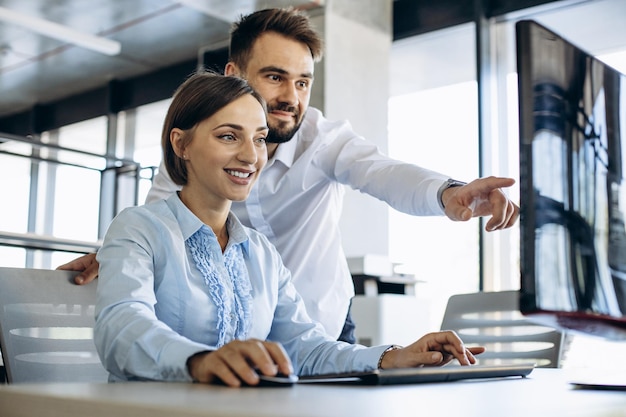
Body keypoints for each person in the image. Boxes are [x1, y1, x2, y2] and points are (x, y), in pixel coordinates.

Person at [60, 7, 519, 344]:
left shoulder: (324, 138)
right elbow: (160, 217)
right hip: (235, 333)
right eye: (275, 77)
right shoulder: (193, 150)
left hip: (321, 329)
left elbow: (382, 172)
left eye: (302, 82)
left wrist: (450, 193)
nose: (291, 97)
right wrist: (122, 255)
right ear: (234, 75)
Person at [95, 71, 485, 386]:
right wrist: (199, 362)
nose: (251, 156)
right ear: (181, 144)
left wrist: (394, 356)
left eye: (260, 139)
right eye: (229, 136)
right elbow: (121, 327)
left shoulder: (261, 253)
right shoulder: (138, 229)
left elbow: (303, 348)